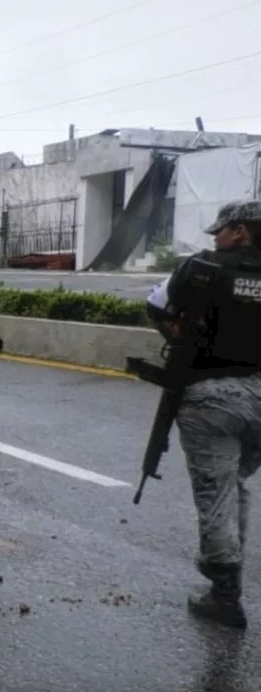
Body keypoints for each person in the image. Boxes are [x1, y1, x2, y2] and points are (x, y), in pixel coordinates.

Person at [145, 199, 261, 629]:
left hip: (212, 398)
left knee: (216, 492)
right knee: (235, 484)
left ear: (242, 231)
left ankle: (225, 594)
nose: (216, 236)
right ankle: (226, 577)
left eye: (223, 228)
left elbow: (157, 306)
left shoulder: (201, 268)